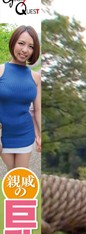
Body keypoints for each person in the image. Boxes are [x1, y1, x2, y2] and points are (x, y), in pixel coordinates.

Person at [0, 25, 41, 170]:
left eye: (31, 46)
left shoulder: (35, 77)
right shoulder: (1, 70)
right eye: (21, 43)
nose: (25, 50)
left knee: (20, 175)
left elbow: (37, 110)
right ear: (13, 42)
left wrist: (40, 134)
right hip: (3, 135)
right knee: (12, 172)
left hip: (25, 133)